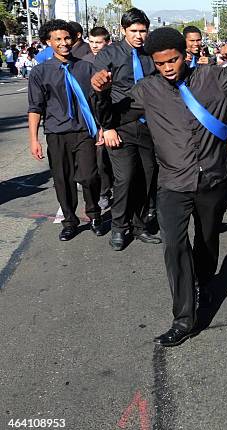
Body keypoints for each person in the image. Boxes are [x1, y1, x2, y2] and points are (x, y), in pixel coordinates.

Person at [107, 27, 227, 346]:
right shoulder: (146, 89)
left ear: (185, 55)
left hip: (212, 180)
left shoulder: (212, 78)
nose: (167, 67)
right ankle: (184, 318)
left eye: (173, 60)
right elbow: (112, 117)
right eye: (160, 62)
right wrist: (100, 94)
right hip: (172, 184)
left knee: (206, 242)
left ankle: (204, 283)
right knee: (174, 246)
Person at [91, 8, 161, 251]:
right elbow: (98, 95)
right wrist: (107, 127)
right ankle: (119, 228)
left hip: (149, 128)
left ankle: (140, 225)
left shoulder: (151, 55)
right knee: (125, 178)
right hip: (120, 127)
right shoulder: (108, 55)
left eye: (143, 31)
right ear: (123, 30)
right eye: (134, 31)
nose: (139, 36)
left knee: (148, 176)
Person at [28, 19, 103, 241]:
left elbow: (95, 101)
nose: (64, 43)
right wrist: (34, 139)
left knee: (90, 176)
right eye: (58, 39)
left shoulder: (86, 67)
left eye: (67, 38)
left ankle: (94, 214)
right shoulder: (40, 72)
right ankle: (70, 221)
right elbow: (35, 107)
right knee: (63, 179)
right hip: (56, 133)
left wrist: (101, 127)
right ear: (48, 42)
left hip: (84, 131)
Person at [81, 26, 114, 210]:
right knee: (99, 158)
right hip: (93, 116)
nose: (94, 46)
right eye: (91, 42)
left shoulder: (114, 59)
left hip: (113, 114)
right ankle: (103, 192)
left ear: (107, 42)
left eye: (98, 42)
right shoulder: (84, 62)